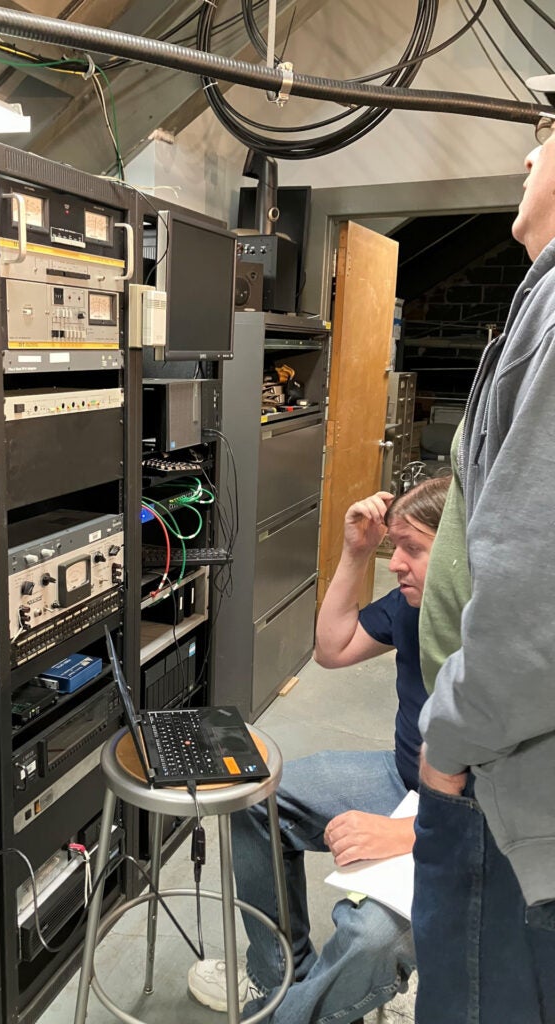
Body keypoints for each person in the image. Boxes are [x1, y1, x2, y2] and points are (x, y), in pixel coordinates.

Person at [188, 475, 450, 1023]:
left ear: (459, 554)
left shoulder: (508, 637)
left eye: (414, 549)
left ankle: (294, 1013)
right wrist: (355, 553)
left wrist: (409, 832)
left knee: (370, 938)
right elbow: (333, 649)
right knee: (255, 798)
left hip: (469, 820)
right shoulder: (415, 601)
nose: (396, 562)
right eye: (393, 546)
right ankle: (281, 980)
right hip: (406, 780)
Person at [412, 75, 555, 1024]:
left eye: (546, 135)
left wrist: (450, 743)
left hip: (499, 781)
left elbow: (533, 590)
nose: (530, 153)